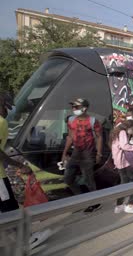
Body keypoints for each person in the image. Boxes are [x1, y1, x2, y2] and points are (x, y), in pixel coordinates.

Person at [0, 91, 54, 249]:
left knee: (6, 210)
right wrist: (19, 165)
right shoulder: (1, 122)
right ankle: (27, 241)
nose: (8, 110)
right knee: (10, 209)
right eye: (6, 106)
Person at [61, 98, 103, 213]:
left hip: (88, 154)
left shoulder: (93, 121)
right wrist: (64, 153)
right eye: (73, 107)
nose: (73, 109)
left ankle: (95, 203)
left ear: (84, 108)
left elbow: (99, 137)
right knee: (68, 179)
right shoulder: (71, 120)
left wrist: (99, 153)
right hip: (76, 154)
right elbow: (70, 137)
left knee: (88, 180)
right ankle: (81, 200)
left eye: (76, 107)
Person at [110, 120, 133, 214]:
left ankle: (119, 206)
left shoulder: (116, 131)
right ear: (130, 127)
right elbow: (124, 146)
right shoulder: (123, 132)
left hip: (118, 162)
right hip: (126, 161)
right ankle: (130, 205)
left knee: (123, 184)